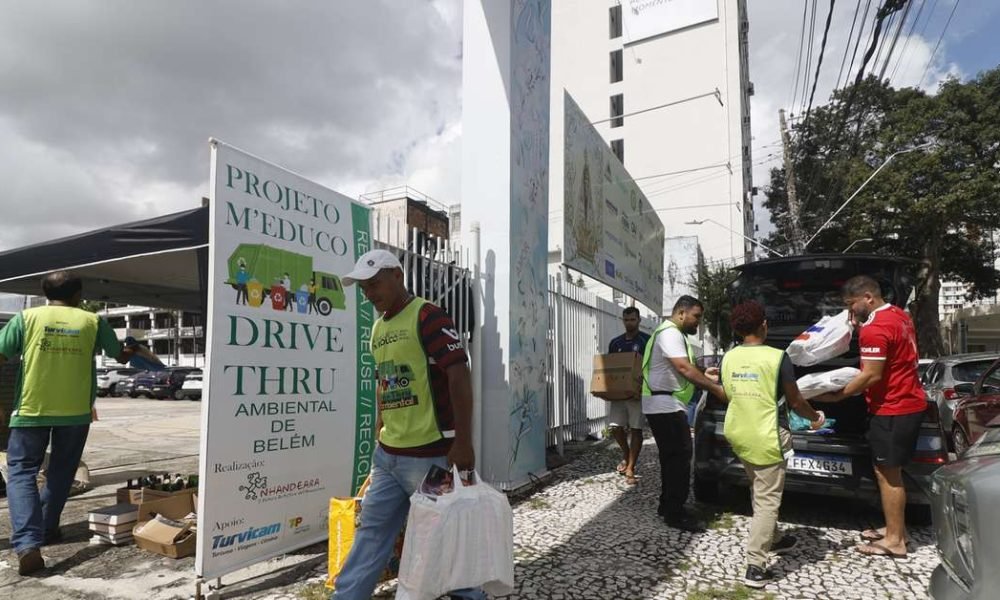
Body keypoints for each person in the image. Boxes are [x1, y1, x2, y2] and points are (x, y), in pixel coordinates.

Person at [331, 249, 483, 600]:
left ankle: (469, 595)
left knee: (442, 535)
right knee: (371, 533)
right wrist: (381, 427)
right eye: (364, 288)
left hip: (430, 460)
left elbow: (459, 374)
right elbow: (386, 381)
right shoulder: (378, 327)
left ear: (398, 276)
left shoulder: (427, 316)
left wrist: (463, 441)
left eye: (375, 284)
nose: (369, 294)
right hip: (388, 457)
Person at [0, 271, 132, 576]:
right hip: (75, 412)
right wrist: (133, 350)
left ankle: (28, 543)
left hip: (31, 409)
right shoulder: (92, 321)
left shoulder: (26, 318)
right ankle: (46, 529)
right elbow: (120, 356)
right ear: (78, 295)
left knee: (21, 473)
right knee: (61, 472)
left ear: (46, 292)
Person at [813, 275, 926, 559]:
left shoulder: (874, 329)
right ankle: (894, 528)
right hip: (907, 402)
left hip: (893, 407)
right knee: (888, 471)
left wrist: (838, 395)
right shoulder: (899, 315)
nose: (850, 312)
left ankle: (895, 541)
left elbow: (872, 375)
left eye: (851, 305)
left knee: (889, 475)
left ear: (868, 297)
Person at [719, 301, 826, 588]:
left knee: (759, 486)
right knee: (767, 501)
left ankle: (775, 538)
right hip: (767, 436)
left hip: (739, 433)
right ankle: (755, 565)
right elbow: (795, 401)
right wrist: (815, 417)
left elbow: (730, 393)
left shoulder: (728, 357)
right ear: (763, 325)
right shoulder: (778, 358)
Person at [641, 295, 725, 532]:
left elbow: (681, 365)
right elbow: (682, 367)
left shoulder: (670, 334)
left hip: (664, 402)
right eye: (695, 317)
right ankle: (675, 514)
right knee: (679, 458)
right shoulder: (670, 333)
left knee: (671, 458)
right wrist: (715, 388)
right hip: (664, 404)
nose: (697, 323)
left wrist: (703, 373)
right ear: (681, 313)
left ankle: (667, 505)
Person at [606, 306, 650, 485]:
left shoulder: (646, 341)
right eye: (626, 320)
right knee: (616, 428)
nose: (629, 323)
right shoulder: (615, 343)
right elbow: (609, 368)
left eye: (632, 319)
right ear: (622, 321)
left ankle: (631, 467)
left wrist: (643, 388)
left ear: (639, 320)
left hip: (637, 394)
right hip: (618, 395)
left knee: (636, 429)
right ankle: (626, 454)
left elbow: (650, 367)